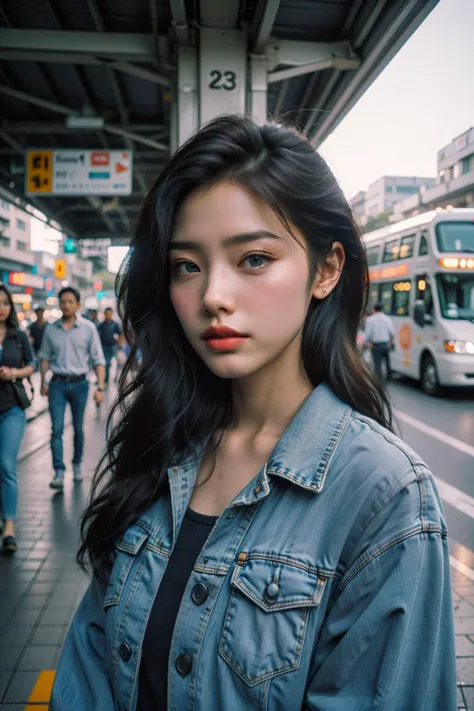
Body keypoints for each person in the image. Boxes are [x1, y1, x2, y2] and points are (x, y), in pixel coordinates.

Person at [51, 117, 456, 711]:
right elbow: (85, 676)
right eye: (186, 265)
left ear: (326, 270)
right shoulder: (160, 444)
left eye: (254, 258)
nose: (213, 293)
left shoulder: (385, 495)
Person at [38, 287, 106, 490]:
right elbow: (44, 357)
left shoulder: (88, 329)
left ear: (77, 304)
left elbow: (98, 359)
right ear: (59, 304)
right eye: (63, 301)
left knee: (78, 427)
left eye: (70, 301)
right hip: (57, 384)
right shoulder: (51, 329)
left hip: (80, 385)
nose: (66, 305)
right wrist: (42, 381)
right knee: (56, 429)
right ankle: (59, 471)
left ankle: (77, 464)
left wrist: (100, 387)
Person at [0, 283, 35, 554]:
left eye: (5, 303)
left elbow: (31, 365)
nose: (2, 308)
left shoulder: (18, 336)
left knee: (6, 464)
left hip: (12, 408)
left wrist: (15, 373)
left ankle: (9, 526)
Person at [364, 301, 395, 381]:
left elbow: (367, 334)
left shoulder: (370, 320)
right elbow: (392, 334)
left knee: (377, 364)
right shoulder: (387, 319)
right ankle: (388, 377)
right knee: (387, 362)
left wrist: (366, 344)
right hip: (385, 345)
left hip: (376, 345)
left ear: (374, 309)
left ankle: (379, 381)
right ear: (382, 309)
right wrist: (390, 344)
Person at [97, 307, 122, 386]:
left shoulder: (115, 324)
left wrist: (119, 342)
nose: (108, 315)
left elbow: (120, 334)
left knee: (113, 363)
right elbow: (97, 334)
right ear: (104, 314)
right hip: (103, 347)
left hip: (112, 347)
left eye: (109, 314)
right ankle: (105, 379)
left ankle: (114, 378)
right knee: (106, 363)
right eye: (106, 314)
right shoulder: (102, 325)